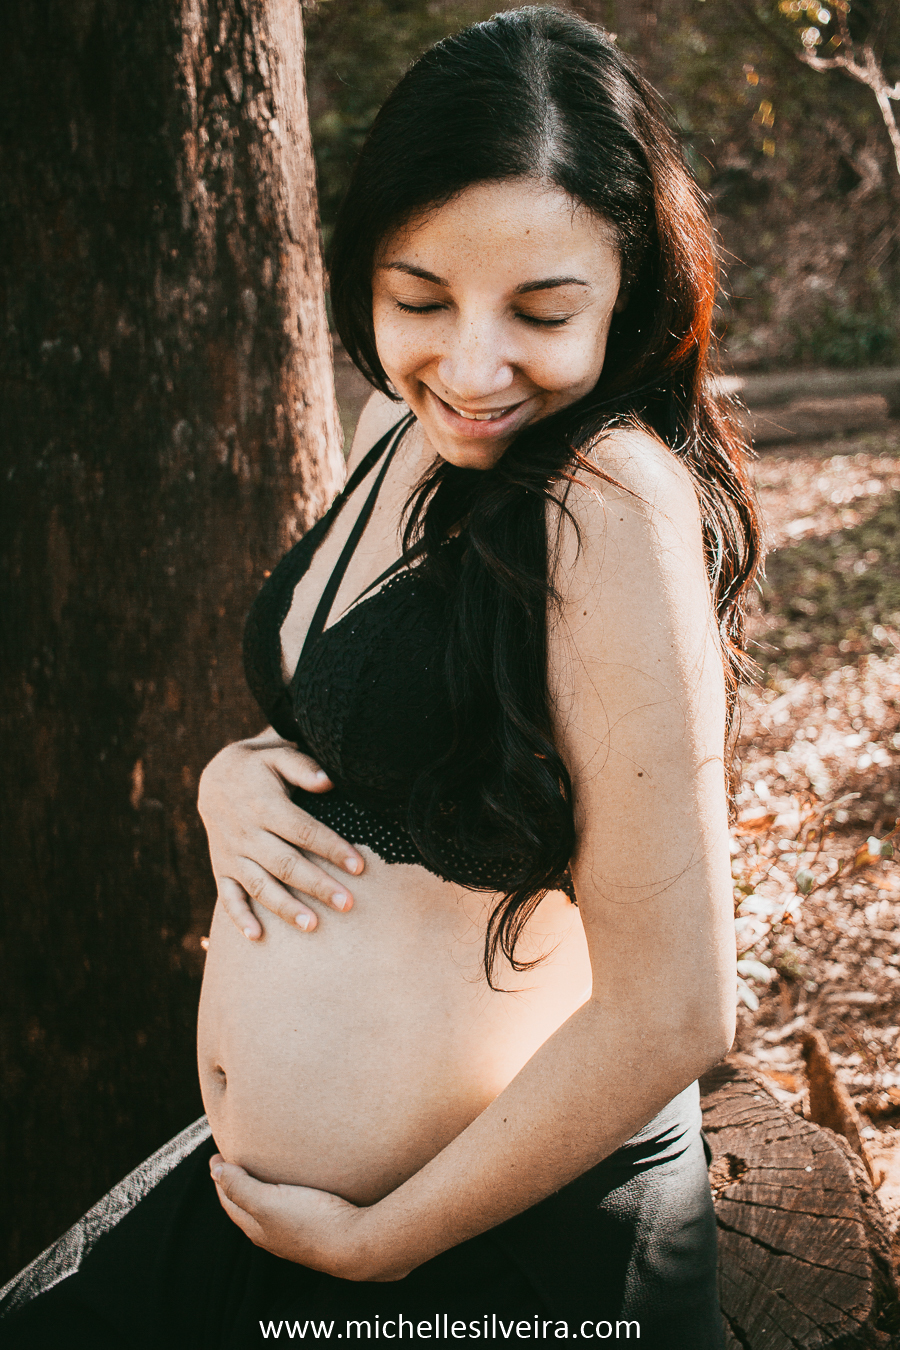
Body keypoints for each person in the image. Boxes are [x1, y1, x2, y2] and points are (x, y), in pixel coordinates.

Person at [0, 8, 760, 1346]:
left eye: (540, 310)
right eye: (419, 300)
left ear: (627, 288)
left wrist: (377, 1241)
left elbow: (679, 1003)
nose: (469, 368)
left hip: (501, 1248)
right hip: (312, 1217)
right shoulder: (394, 428)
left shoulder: (608, 497)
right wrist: (228, 782)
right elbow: (382, 721)